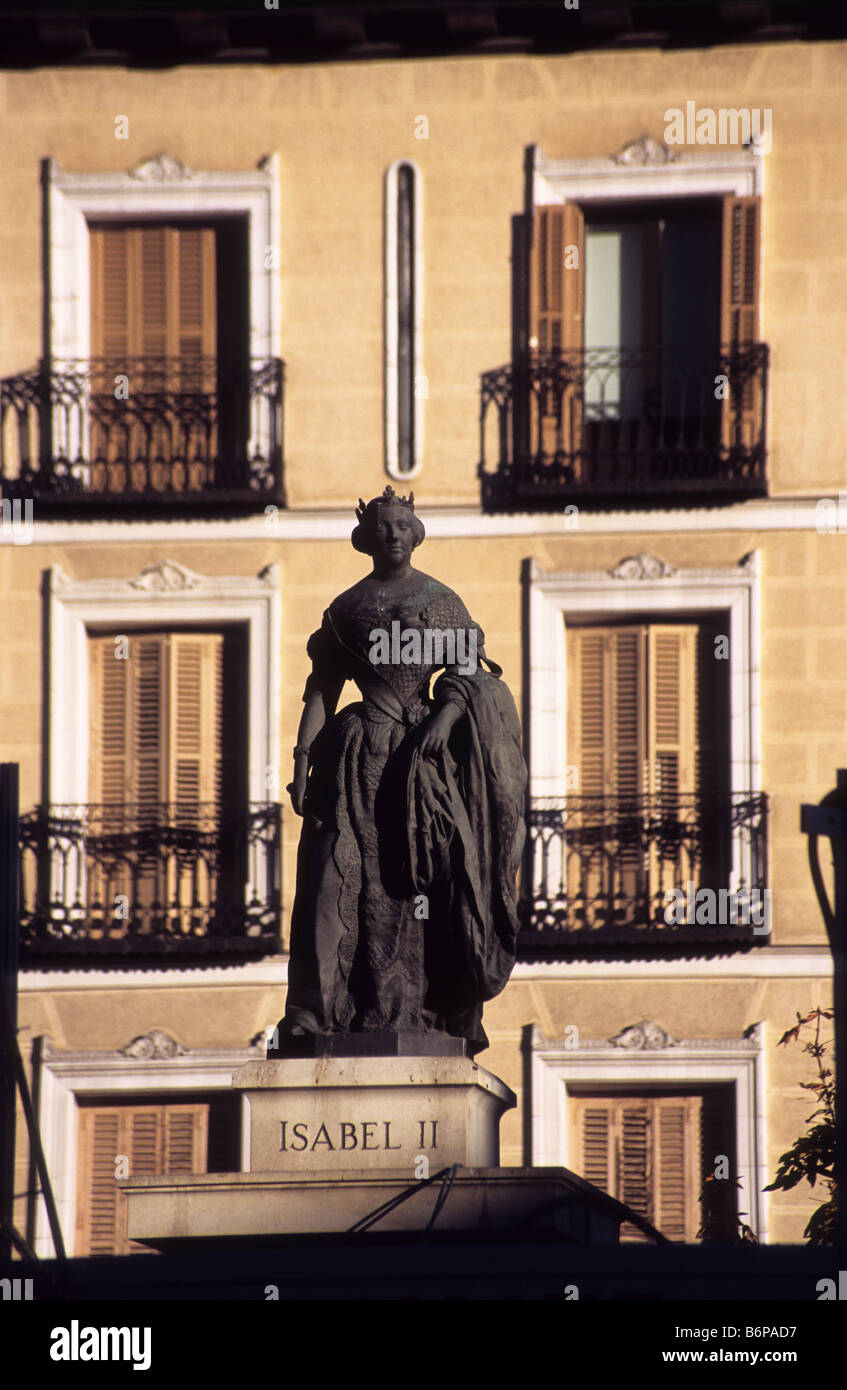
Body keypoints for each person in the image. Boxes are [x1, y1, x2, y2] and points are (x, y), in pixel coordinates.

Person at [279, 486, 526, 1054]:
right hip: (353, 756)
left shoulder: (441, 601)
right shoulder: (346, 608)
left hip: (423, 762)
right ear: (366, 537)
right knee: (335, 877)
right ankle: (319, 1013)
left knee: (424, 880)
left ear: (416, 535)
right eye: (383, 525)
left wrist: (447, 718)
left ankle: (425, 1008)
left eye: (401, 525)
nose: (392, 533)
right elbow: (321, 692)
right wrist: (300, 762)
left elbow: (472, 676)